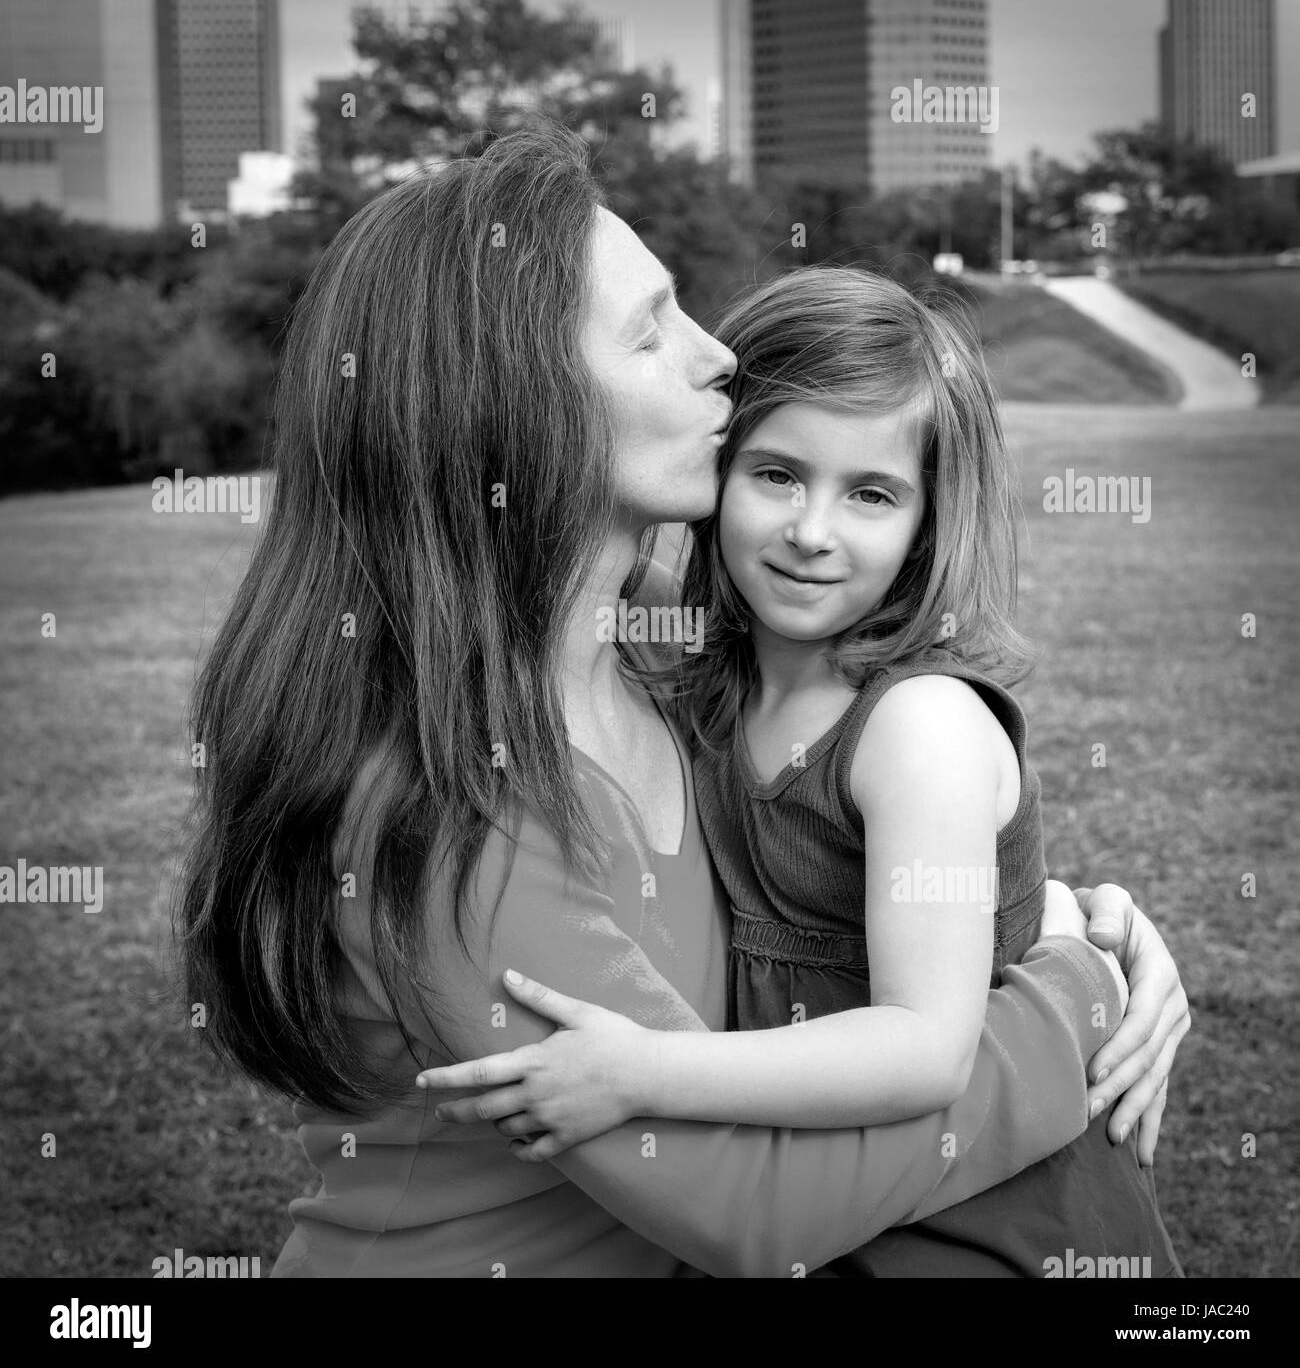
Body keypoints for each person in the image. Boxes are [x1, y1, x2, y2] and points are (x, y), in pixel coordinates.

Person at [176, 121, 1191, 1278]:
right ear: (515, 402)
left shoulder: (672, 646)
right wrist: (1073, 1000)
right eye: (652, 330)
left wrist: (1072, 910)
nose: (720, 356)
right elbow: (758, 1211)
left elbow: (860, 851)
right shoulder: (452, 802)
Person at [417, 267, 1182, 1276]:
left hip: (983, 1211)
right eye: (776, 474)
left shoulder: (918, 727)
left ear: (926, 522)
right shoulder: (692, 679)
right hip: (830, 1189)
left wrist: (647, 1070)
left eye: (870, 493)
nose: (811, 531)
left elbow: (926, 1045)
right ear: (717, 466)